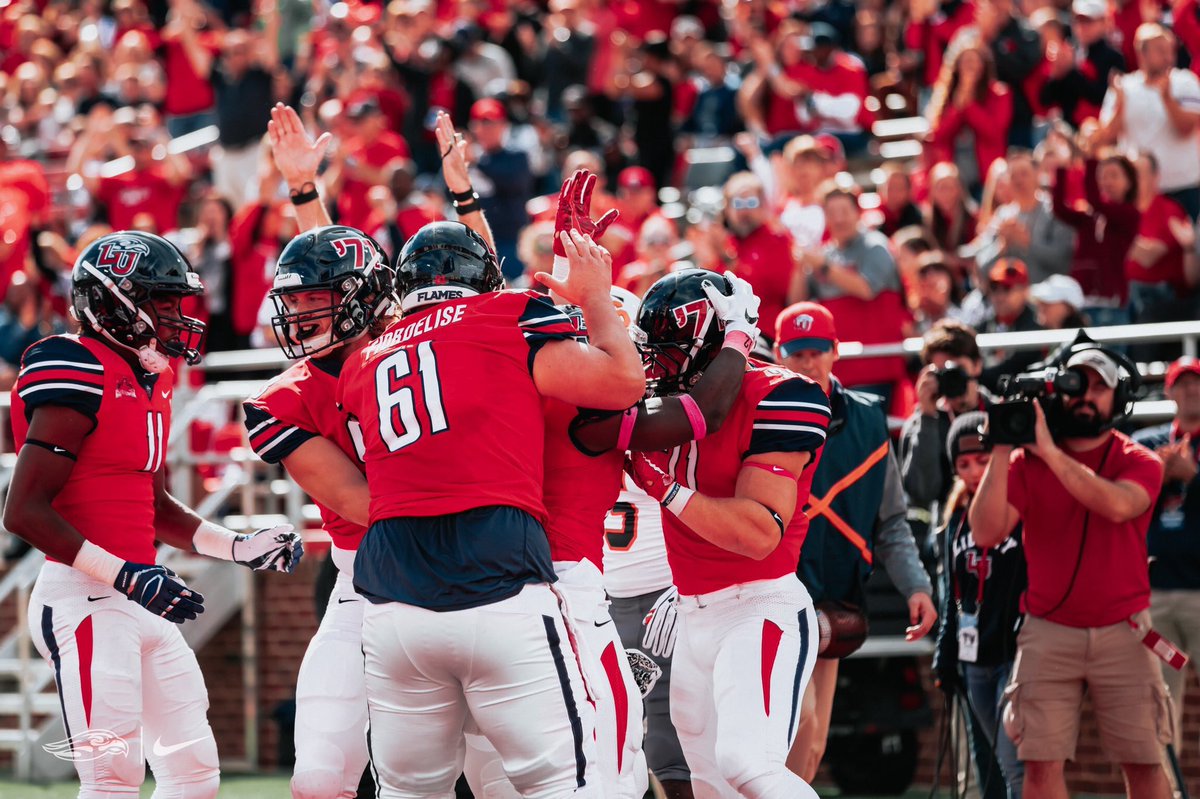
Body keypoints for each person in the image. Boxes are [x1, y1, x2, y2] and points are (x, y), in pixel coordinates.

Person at [335, 217, 644, 796]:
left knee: (408, 791)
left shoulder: (364, 360)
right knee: (563, 783)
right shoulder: (508, 316)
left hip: (390, 597)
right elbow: (623, 382)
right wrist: (597, 298)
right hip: (497, 574)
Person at [3, 231, 303, 799]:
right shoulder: (72, 361)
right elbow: (23, 512)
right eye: (162, 303)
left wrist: (239, 546)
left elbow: (155, 504)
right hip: (84, 597)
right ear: (114, 302)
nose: (175, 317)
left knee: (193, 776)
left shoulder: (154, 377)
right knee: (112, 779)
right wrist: (127, 576)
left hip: (141, 594)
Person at [623, 268, 832, 799]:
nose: (655, 366)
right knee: (708, 787)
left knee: (747, 766)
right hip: (693, 612)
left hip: (758, 607)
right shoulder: (669, 402)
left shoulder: (783, 394)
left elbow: (758, 531)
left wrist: (665, 489)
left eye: (669, 350)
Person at [970, 345, 1172, 799]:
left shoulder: (1140, 460)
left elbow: (1118, 506)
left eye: (1100, 386)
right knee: (1039, 767)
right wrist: (1002, 449)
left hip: (1125, 630)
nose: (1086, 395)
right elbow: (985, 532)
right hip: (1048, 631)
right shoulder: (1026, 462)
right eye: (1077, 383)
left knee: (1143, 762)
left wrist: (1049, 452)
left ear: (1119, 398)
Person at [773, 302, 936, 782]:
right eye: (796, 352)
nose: (807, 362)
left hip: (834, 596)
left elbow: (891, 523)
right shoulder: (757, 413)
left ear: (835, 351)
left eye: (817, 350)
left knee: (814, 739)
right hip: (772, 596)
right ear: (778, 354)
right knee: (791, 726)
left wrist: (916, 587)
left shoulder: (867, 421)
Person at [933, 411, 1026, 799]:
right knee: (997, 767)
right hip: (975, 660)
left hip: (1015, 653)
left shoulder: (1022, 507)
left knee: (1016, 764)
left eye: (984, 461)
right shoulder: (953, 518)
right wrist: (946, 650)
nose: (973, 471)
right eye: (964, 464)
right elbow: (952, 593)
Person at [1132, 357, 1200, 753]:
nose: (1191, 390)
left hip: (1199, 596)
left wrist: (1194, 479)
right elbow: (1123, 503)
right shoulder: (1148, 443)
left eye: (1196, 383)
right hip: (1156, 598)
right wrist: (1156, 476)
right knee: (1160, 699)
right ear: (1170, 391)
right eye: (1182, 384)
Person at [802, 187, 907, 407]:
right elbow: (799, 300)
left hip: (874, 366)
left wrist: (823, 266)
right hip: (838, 370)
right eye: (832, 212)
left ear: (858, 212)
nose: (839, 219)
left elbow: (866, 289)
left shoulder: (875, 246)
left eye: (844, 211)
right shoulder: (825, 254)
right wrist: (797, 265)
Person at [1097, 23, 1200, 220]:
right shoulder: (1123, 87)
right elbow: (1107, 136)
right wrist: (1120, 106)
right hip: (1138, 194)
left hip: (1183, 189)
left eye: (1171, 50)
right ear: (1141, 53)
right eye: (1161, 50)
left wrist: (1168, 99)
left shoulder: (1186, 81)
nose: (1169, 57)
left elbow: (1187, 128)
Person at [900, 319, 995, 517]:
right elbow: (921, 493)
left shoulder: (998, 412)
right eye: (941, 372)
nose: (950, 378)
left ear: (977, 366)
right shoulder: (921, 423)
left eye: (957, 369)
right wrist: (928, 417)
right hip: (948, 527)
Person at [973, 149, 1076, 285]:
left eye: (1024, 174)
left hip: (1046, 297)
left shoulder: (1055, 212)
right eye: (1013, 176)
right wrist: (1000, 247)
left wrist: (1028, 244)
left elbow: (1065, 262)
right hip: (1008, 297)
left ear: (1037, 175)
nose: (1018, 181)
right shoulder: (1003, 215)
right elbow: (981, 266)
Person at [978, 258, 1043, 393]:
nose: (999, 296)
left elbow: (1011, 368)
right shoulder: (982, 326)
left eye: (1007, 288)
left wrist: (974, 373)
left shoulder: (1037, 326)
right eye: (995, 288)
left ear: (1024, 291)